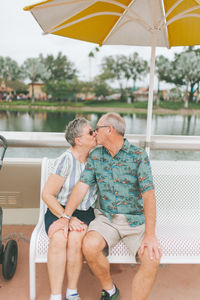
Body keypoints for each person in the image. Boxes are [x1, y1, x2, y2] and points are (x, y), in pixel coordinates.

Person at [50, 112, 162, 300]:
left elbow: (149, 196)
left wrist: (150, 235)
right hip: (107, 219)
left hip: (134, 221)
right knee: (89, 245)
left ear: (109, 130)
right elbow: (81, 187)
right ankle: (110, 290)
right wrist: (65, 217)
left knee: (152, 259)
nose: (94, 133)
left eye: (97, 129)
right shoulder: (96, 156)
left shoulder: (138, 156)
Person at [42, 118, 98, 300]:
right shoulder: (65, 160)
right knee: (59, 239)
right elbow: (47, 195)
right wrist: (66, 217)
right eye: (91, 132)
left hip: (84, 212)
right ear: (78, 140)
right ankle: (55, 295)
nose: (95, 133)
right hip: (58, 210)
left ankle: (72, 292)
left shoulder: (96, 159)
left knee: (75, 240)